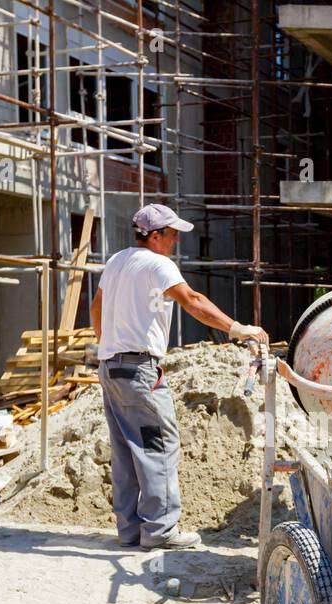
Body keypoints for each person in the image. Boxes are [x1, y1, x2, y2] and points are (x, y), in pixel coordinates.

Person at [91, 203, 268, 550]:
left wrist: (108, 342)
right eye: (171, 235)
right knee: (159, 443)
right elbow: (193, 300)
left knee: (127, 448)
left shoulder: (116, 262)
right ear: (155, 236)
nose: (175, 242)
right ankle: (159, 530)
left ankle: (130, 530)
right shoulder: (158, 264)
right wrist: (237, 328)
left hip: (110, 366)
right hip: (139, 368)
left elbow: (96, 308)